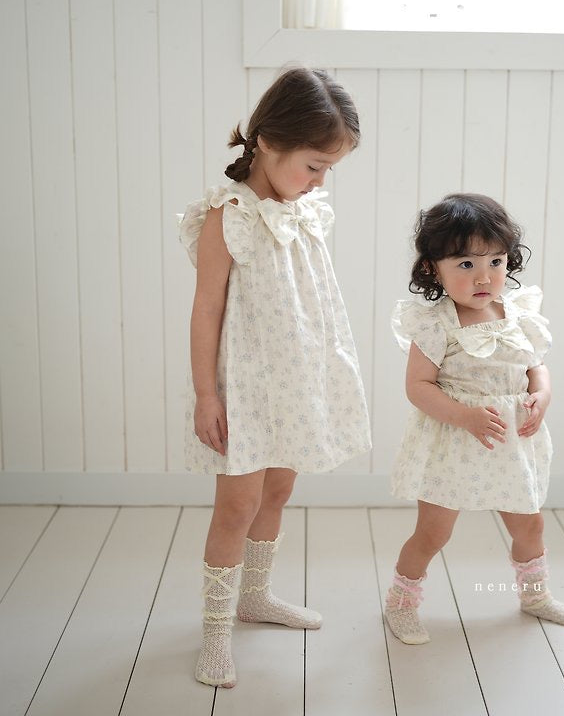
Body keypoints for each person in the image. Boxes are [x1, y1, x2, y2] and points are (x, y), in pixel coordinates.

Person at [178, 67, 371, 687]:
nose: (320, 181)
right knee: (238, 503)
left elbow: (311, 300)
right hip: (246, 388)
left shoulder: (305, 211)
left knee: (279, 490)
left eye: (328, 169)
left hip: (296, 380)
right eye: (314, 165)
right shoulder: (228, 216)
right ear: (266, 142)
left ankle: (256, 596)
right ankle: (215, 631)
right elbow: (207, 308)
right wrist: (206, 394)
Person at [383, 193, 564, 645]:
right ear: (432, 269)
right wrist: (465, 416)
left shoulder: (517, 313)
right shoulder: (436, 325)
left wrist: (542, 394)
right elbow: (419, 387)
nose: (484, 276)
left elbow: (535, 365)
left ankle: (535, 596)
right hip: (454, 442)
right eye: (465, 264)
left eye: (495, 261)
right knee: (434, 532)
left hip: (512, 442)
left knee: (530, 524)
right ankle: (401, 603)